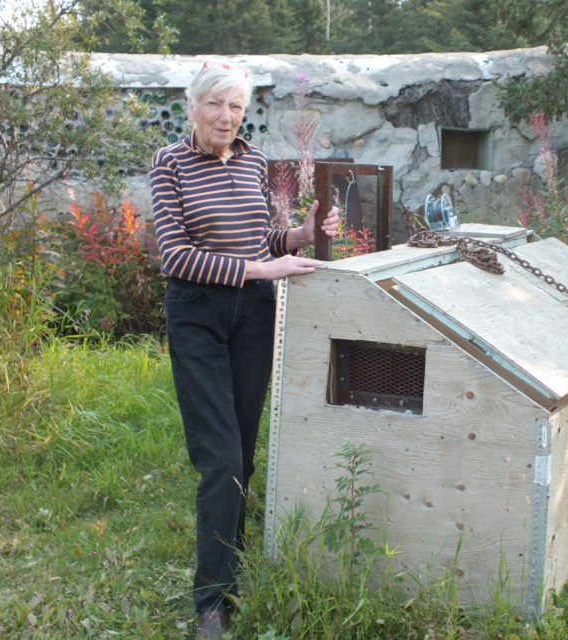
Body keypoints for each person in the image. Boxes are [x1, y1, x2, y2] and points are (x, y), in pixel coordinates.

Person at [150, 60, 340, 640]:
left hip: (254, 313)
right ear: (193, 107)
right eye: (215, 104)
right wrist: (263, 267)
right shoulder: (170, 163)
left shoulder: (255, 161)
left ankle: (228, 550)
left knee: (245, 450)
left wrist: (304, 236)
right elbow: (174, 256)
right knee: (222, 457)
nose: (226, 117)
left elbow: (265, 241)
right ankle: (213, 600)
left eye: (236, 106)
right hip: (198, 314)